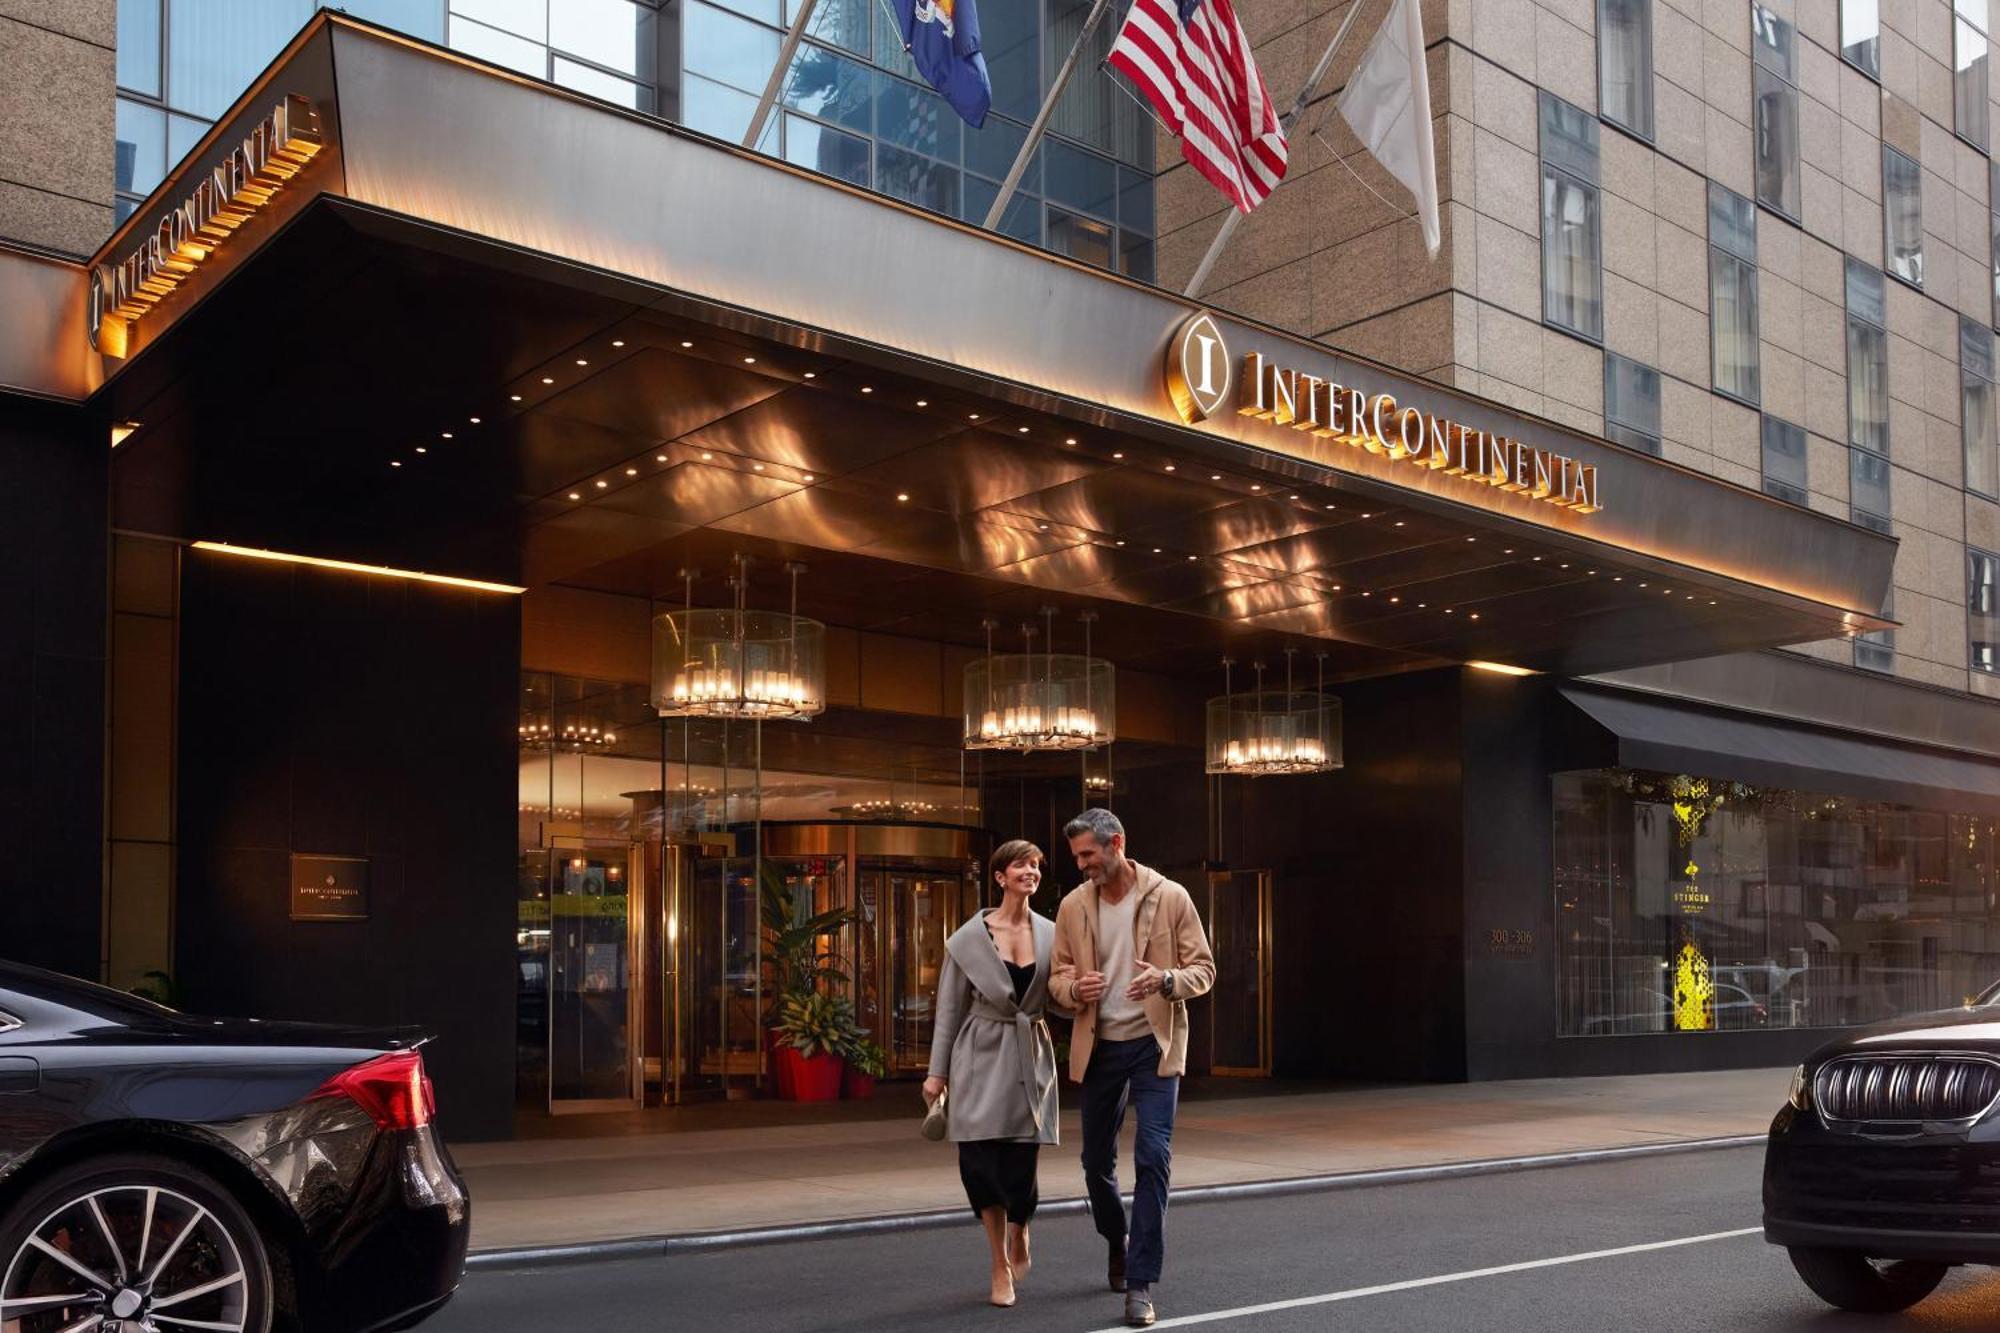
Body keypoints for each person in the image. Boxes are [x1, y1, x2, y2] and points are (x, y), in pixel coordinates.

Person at [1049, 808, 1215, 1329]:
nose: (1081, 865)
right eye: (1077, 856)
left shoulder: (1170, 896)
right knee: (1095, 1161)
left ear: (1116, 843)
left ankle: (1140, 1283)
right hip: (1099, 1046)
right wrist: (1075, 989)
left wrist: (1166, 979)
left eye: (1087, 854)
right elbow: (1056, 979)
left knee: (1153, 1156)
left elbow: (1203, 970)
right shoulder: (1074, 906)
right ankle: (1115, 1241)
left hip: (1152, 1045)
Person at [924, 839, 1061, 1309]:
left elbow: (1060, 997)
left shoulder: (1052, 933)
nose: (1031, 871)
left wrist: (1078, 991)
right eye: (1021, 864)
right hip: (979, 1055)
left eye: (1036, 865)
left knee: (1020, 1170)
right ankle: (998, 1264)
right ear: (1000, 877)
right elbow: (948, 1010)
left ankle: (1021, 1229)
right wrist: (936, 1073)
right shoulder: (967, 940)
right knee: (980, 1166)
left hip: (1029, 1055)